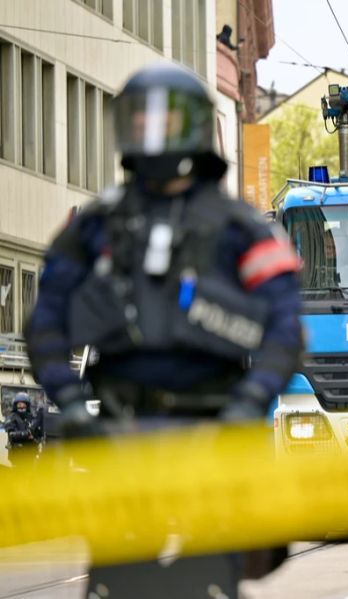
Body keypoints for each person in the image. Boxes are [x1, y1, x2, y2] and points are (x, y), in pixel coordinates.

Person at [24, 62, 302, 597]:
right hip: (121, 433)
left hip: (215, 433)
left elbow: (285, 327)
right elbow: (47, 321)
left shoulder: (239, 226)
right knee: (116, 581)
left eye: (166, 122)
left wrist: (250, 401)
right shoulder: (96, 226)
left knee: (212, 578)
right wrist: (71, 404)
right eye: (139, 120)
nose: (151, 136)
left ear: (195, 129)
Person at [3, 393, 43, 468]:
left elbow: (38, 433)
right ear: (16, 405)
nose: (21, 406)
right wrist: (27, 434)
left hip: (30, 455)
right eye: (19, 404)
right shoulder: (11, 417)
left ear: (27, 405)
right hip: (17, 454)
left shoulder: (31, 417)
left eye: (23, 404)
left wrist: (36, 438)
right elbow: (11, 434)